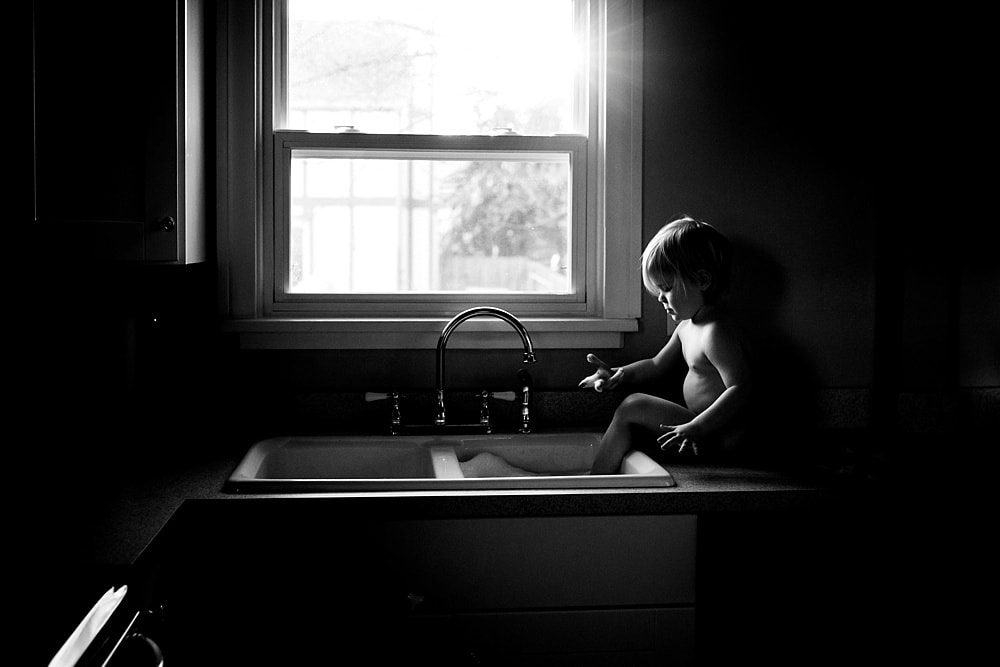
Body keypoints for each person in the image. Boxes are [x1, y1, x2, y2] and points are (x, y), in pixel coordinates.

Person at [580, 216, 752, 474]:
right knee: (633, 423)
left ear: (703, 281)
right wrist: (619, 374)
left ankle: (593, 483)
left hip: (718, 434)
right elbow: (656, 365)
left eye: (667, 287)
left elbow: (742, 388)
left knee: (634, 405)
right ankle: (597, 478)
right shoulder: (687, 327)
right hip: (696, 427)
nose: (660, 297)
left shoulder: (716, 332)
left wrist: (698, 427)